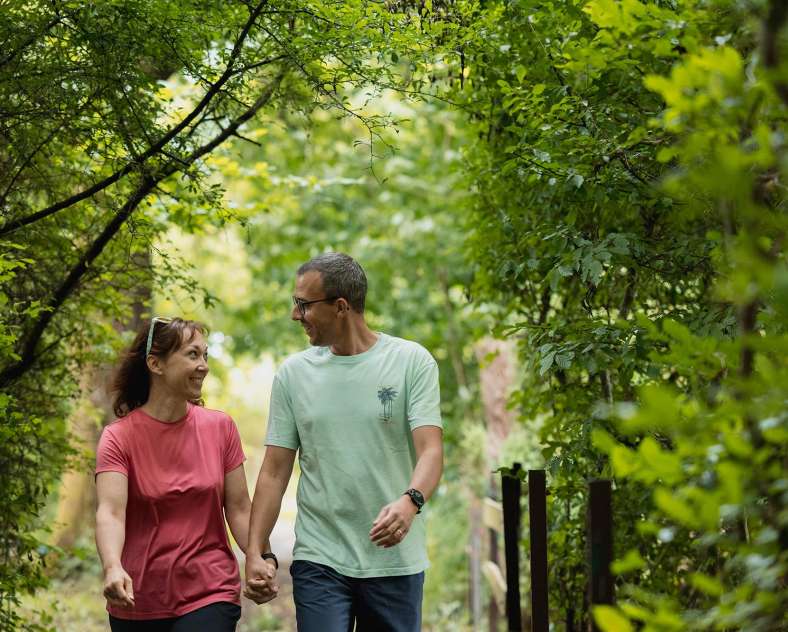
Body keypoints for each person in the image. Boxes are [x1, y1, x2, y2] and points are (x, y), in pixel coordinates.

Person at [244, 253, 444, 632]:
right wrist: (256, 551)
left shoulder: (411, 362)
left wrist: (410, 501)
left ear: (340, 306)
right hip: (320, 556)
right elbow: (273, 472)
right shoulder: (293, 375)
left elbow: (431, 450)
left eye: (304, 304)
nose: (295, 315)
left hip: (394, 558)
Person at [94, 317, 277, 631]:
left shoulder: (220, 428)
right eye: (193, 355)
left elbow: (239, 507)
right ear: (156, 364)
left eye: (205, 355)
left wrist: (261, 556)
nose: (204, 366)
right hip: (138, 597)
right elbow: (111, 513)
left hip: (210, 589)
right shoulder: (118, 437)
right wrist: (112, 567)